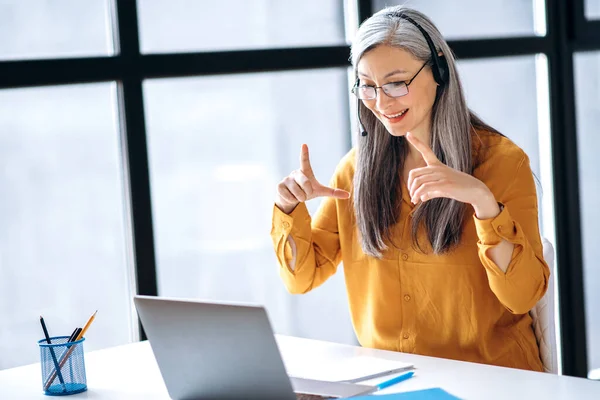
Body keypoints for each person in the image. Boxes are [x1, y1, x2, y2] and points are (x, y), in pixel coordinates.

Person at [270, 6, 549, 372]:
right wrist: (288, 208)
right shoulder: (355, 171)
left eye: (396, 83)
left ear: (439, 72)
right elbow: (301, 278)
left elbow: (521, 296)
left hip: (491, 381)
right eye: (367, 87)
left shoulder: (502, 163)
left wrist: (482, 201)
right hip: (394, 383)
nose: (382, 104)